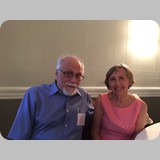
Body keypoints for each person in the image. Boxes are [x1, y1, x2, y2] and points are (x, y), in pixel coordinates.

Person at [8, 55, 94, 140]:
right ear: (57, 74)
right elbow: (19, 135)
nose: (74, 80)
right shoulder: (35, 94)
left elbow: (96, 123)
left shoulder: (84, 96)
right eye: (68, 74)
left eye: (78, 75)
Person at [91, 63, 148, 140]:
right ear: (108, 83)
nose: (117, 83)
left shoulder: (141, 106)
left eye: (121, 78)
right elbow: (94, 132)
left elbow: (137, 136)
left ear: (129, 81)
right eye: (113, 79)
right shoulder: (101, 100)